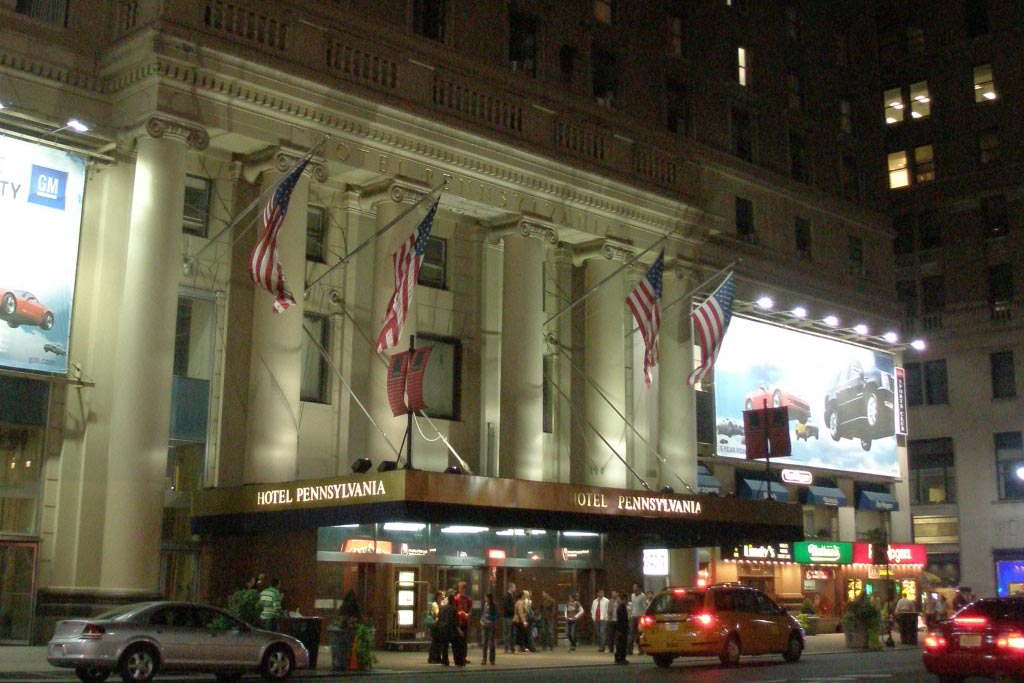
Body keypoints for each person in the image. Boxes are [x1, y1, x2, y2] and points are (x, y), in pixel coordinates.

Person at [452, 581, 472, 666]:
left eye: (462, 588)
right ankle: (460, 657)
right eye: (459, 588)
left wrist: (468, 615)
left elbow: (470, 609)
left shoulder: (468, 599)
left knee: (464, 640)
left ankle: (463, 657)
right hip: (458, 621)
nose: (460, 589)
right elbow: (454, 609)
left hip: (465, 621)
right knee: (459, 640)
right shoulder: (456, 598)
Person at [436, 588, 457, 666]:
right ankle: (457, 660)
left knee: (444, 646)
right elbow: (454, 620)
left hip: (442, 628)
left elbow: (439, 617)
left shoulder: (442, 607)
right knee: (455, 645)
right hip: (450, 629)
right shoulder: (453, 609)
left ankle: (445, 660)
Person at [627, 583, 648, 655]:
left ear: (638, 588)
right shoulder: (632, 595)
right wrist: (629, 615)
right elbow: (631, 606)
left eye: (635, 587)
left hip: (640, 617)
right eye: (633, 586)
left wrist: (644, 616)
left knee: (640, 634)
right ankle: (629, 650)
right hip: (633, 616)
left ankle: (641, 650)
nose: (633, 588)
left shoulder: (643, 596)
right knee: (631, 633)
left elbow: (645, 607)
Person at [479, 592, 498, 665]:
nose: (485, 599)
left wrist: (490, 618)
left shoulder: (494, 605)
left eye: (486, 597)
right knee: (484, 642)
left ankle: (492, 659)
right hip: (484, 625)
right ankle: (484, 658)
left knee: (491, 642)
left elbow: (496, 616)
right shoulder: (485, 605)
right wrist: (481, 620)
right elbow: (483, 613)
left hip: (491, 625)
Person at [427, 590, 445, 664]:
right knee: (435, 641)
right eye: (442, 595)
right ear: (438, 596)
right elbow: (437, 613)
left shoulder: (442, 604)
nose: (443, 597)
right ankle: (432, 658)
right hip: (435, 625)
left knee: (439, 642)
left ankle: (438, 657)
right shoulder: (434, 604)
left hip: (440, 624)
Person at [613, 593, 630, 664]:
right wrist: (620, 630)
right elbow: (621, 620)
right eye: (626, 600)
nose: (627, 601)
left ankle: (619, 657)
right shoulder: (621, 608)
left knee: (620, 644)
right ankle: (621, 658)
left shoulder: (622, 607)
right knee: (621, 644)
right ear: (623, 600)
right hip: (622, 628)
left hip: (622, 628)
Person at [502, 583, 517, 653]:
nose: (515, 588)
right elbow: (506, 607)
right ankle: (506, 648)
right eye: (514, 587)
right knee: (507, 633)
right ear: (510, 587)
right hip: (507, 617)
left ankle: (512, 648)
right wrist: (513, 611)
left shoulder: (511, 596)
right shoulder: (507, 597)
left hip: (511, 617)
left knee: (512, 633)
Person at [605, 590, 619, 654]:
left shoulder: (619, 601)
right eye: (612, 593)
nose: (613, 594)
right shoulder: (610, 601)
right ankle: (610, 648)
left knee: (618, 635)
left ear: (617, 593)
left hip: (618, 620)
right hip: (611, 620)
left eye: (614, 593)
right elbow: (608, 610)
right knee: (611, 635)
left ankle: (618, 648)